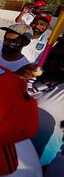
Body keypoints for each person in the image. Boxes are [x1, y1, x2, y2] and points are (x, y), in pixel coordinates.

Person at [17, 38, 64, 168]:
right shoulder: (33, 75)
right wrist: (15, 77)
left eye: (62, 60)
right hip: (8, 153)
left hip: (39, 166)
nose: (53, 62)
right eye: (51, 56)